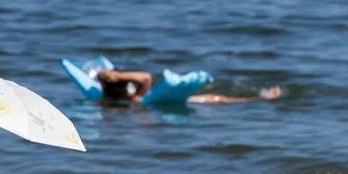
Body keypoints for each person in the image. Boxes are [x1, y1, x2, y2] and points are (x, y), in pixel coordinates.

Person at [97, 69, 283, 104]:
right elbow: (146, 77)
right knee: (219, 99)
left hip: (169, 102)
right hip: (177, 102)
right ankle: (262, 99)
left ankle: (262, 98)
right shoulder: (138, 98)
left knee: (218, 99)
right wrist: (119, 75)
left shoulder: (111, 102)